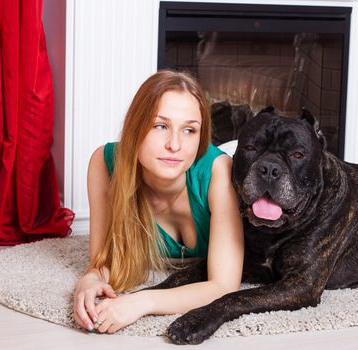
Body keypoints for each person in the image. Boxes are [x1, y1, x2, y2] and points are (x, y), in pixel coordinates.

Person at [73, 70, 244, 334]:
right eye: (160, 126)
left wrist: (143, 301)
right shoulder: (105, 164)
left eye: (189, 130)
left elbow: (224, 286)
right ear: (135, 126)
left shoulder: (220, 170)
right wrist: (90, 280)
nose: (174, 145)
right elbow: (104, 259)